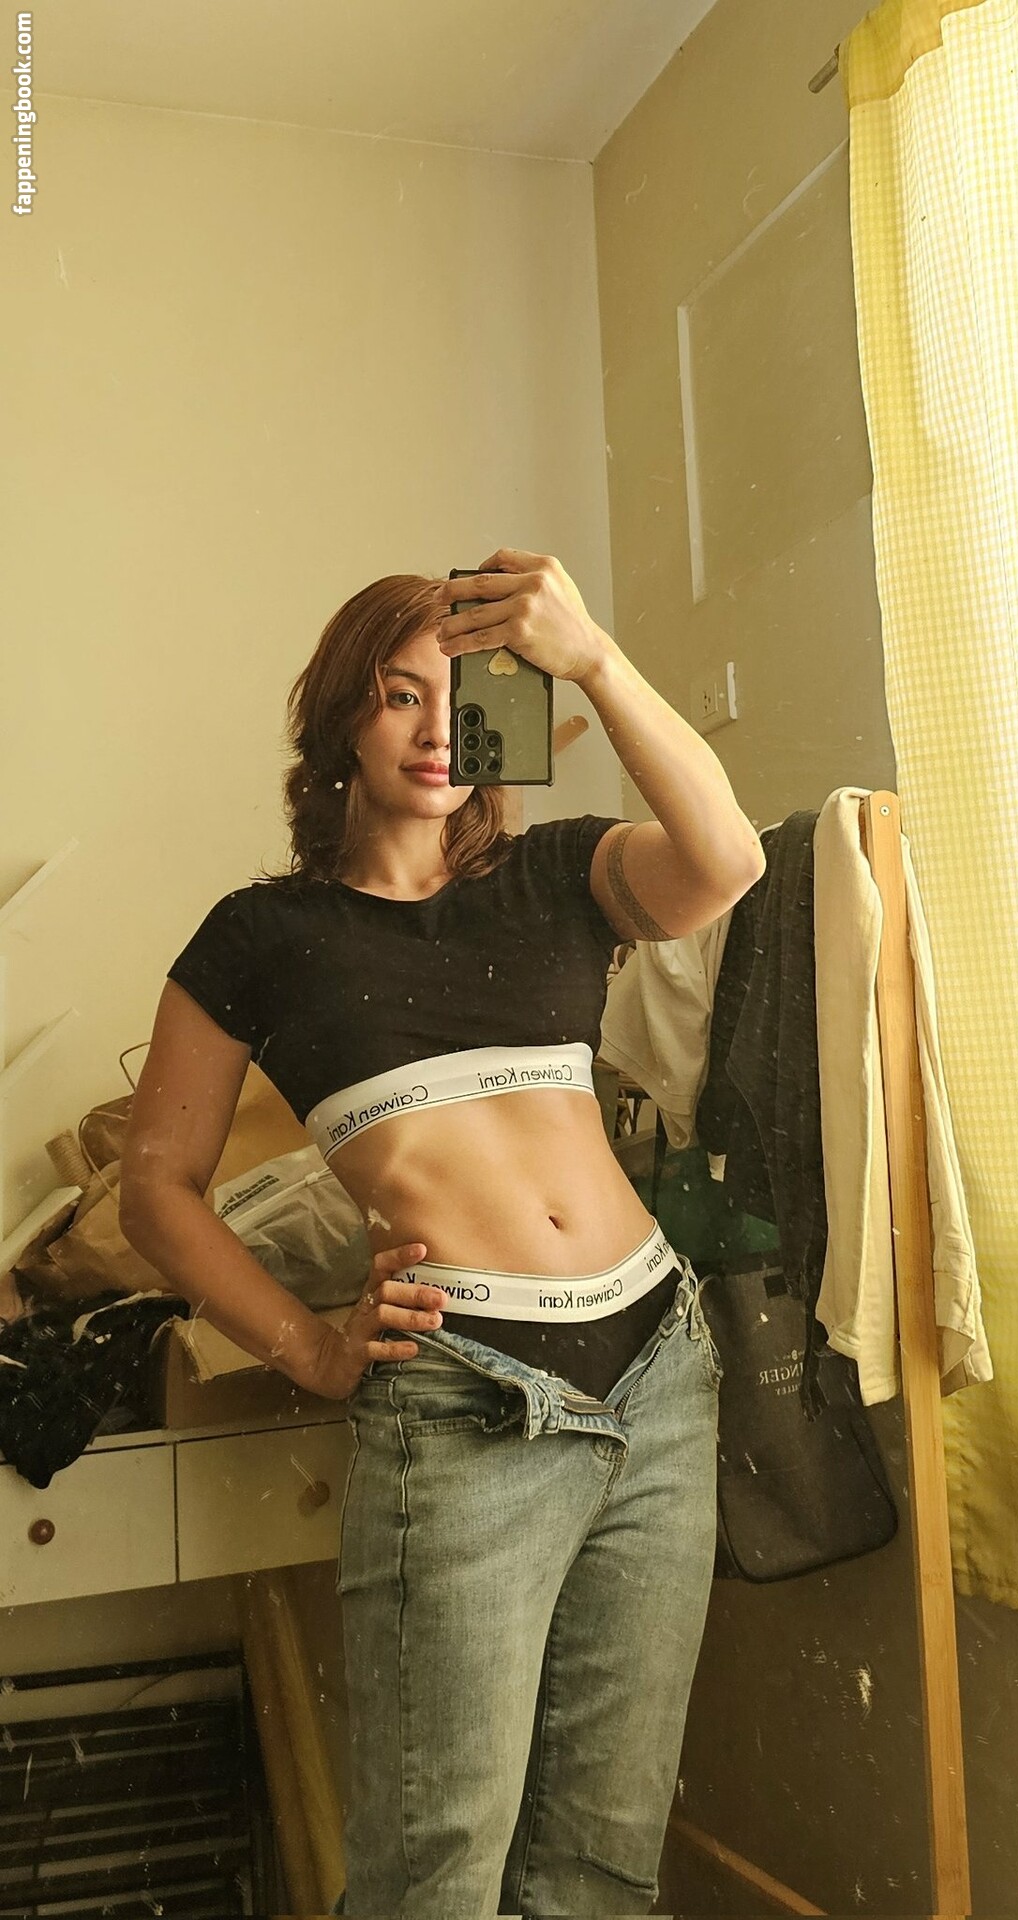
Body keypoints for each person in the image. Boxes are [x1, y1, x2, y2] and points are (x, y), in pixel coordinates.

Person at [118, 547, 765, 1919]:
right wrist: (309, 1348)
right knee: (435, 1876)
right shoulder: (260, 936)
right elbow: (156, 1186)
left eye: (467, 703)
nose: (437, 732)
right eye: (401, 695)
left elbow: (729, 859)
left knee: (600, 1863)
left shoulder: (555, 875)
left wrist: (594, 659)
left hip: (660, 1374)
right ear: (341, 718)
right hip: (470, 1402)